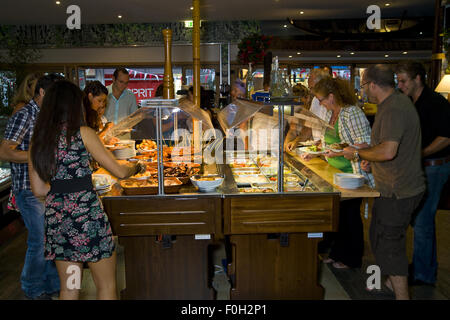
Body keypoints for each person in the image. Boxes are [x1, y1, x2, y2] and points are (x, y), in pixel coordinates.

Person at [28, 80, 146, 300]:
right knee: (106, 285)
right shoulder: (82, 132)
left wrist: (62, 192)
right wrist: (137, 166)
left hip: (59, 221)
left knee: (71, 286)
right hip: (87, 220)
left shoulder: (38, 140)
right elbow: (119, 172)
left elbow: (38, 189)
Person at [342, 64, 426, 300]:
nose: (363, 90)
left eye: (364, 85)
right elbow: (385, 149)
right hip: (390, 186)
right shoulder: (390, 104)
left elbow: (388, 151)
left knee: (390, 244)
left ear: (372, 84)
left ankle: (402, 295)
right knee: (378, 236)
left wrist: (359, 154)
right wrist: (371, 156)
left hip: (399, 189)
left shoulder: (394, 108)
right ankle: (389, 283)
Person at [0, 74, 63, 300]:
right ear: (43, 93)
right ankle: (32, 288)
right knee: (39, 240)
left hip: (45, 185)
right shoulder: (25, 115)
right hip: (27, 188)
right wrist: (36, 155)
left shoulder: (48, 116)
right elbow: (5, 151)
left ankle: (52, 284)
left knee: (49, 238)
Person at [306, 77, 374, 269]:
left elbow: (365, 142)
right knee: (338, 215)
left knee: (350, 216)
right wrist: (317, 149)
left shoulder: (351, 112)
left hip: (351, 172)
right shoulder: (332, 114)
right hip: (335, 170)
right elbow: (330, 140)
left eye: (321, 100)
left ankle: (352, 258)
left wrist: (339, 152)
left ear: (332, 96)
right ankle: (337, 253)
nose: (320, 104)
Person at [396, 62, 450, 286]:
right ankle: (422, 265)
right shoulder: (411, 101)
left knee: (423, 220)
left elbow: (447, 137)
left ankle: (424, 274)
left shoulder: (436, 102)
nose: (400, 86)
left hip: (434, 166)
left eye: (403, 81)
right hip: (421, 166)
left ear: (418, 78)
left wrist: (420, 153)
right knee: (418, 219)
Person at [285, 67, 332, 151]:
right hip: (318, 150)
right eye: (309, 88)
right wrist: (296, 141)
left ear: (323, 84)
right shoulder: (315, 101)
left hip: (330, 149)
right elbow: (310, 126)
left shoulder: (332, 102)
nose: (311, 92)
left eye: (312, 88)